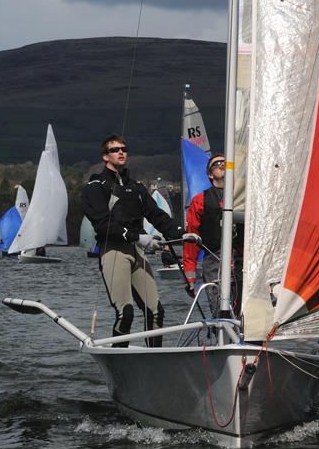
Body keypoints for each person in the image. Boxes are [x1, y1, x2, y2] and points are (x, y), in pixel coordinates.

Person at [81, 134, 185, 347]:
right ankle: (120, 359)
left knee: (156, 312)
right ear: (105, 156)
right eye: (115, 149)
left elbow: (156, 215)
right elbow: (103, 224)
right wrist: (138, 236)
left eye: (124, 149)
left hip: (136, 251)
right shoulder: (95, 186)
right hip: (113, 250)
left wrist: (181, 234)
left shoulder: (136, 188)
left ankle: (154, 359)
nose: (121, 152)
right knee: (125, 312)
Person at [183, 153, 244, 317]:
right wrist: (190, 275)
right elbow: (191, 239)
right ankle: (221, 336)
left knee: (245, 312)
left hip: (242, 259)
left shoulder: (244, 197)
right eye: (218, 163)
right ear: (210, 174)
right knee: (220, 312)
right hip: (213, 260)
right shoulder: (199, 201)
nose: (223, 164)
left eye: (226, 162)